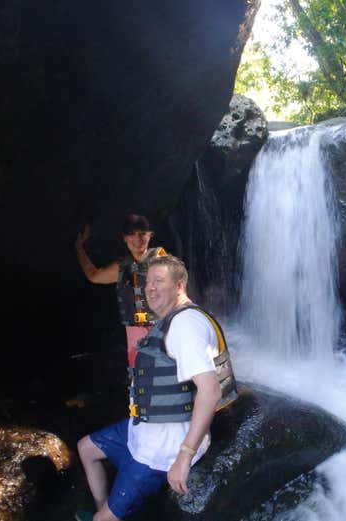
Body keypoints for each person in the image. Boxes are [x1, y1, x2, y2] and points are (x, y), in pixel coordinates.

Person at [76, 255, 238, 521]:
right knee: (86, 448)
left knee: (100, 520)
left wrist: (184, 458)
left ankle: (104, 516)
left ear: (180, 285)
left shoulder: (186, 326)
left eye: (159, 281)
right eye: (148, 282)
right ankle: (103, 508)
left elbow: (210, 391)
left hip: (161, 451)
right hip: (142, 431)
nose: (150, 288)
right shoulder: (174, 319)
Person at [75, 214, 166, 367]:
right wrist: (78, 247)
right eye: (131, 234)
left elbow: (179, 293)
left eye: (142, 234)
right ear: (124, 238)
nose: (137, 240)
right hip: (135, 337)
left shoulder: (162, 260)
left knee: (167, 377)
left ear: (150, 235)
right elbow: (94, 276)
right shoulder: (122, 267)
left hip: (162, 332)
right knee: (140, 378)